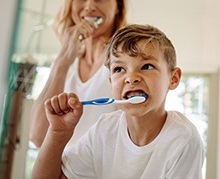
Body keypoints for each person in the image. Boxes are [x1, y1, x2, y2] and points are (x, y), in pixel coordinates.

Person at [32, 24, 205, 179]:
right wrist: (58, 133)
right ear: (111, 83)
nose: (131, 78)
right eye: (119, 69)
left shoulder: (183, 139)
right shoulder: (104, 130)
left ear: (173, 79)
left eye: (146, 66)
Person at [29, 0, 127, 147]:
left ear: (117, 8)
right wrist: (63, 61)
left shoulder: (124, 62)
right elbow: (37, 136)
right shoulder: (66, 63)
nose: (89, 7)